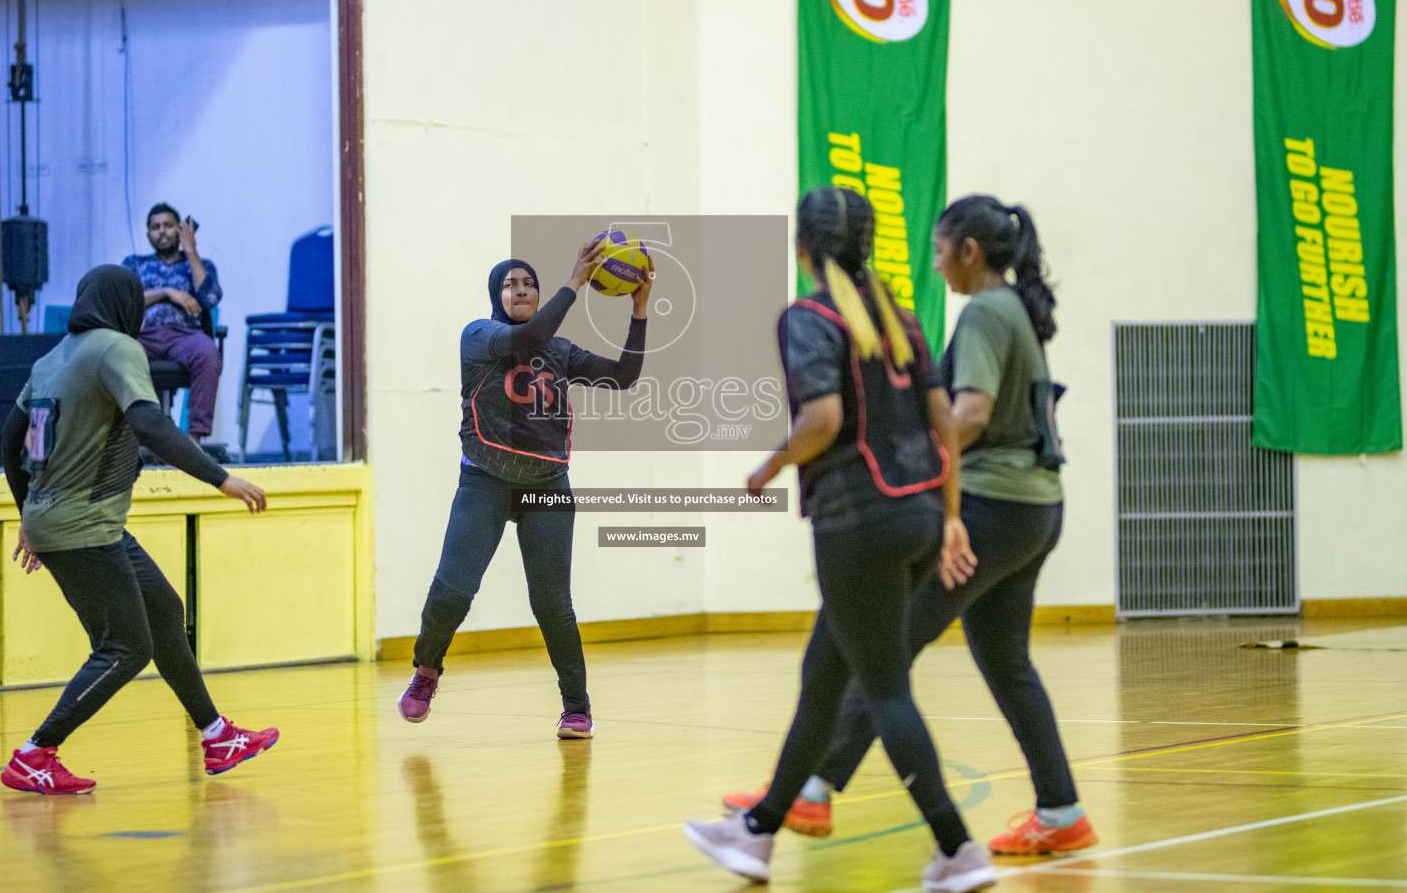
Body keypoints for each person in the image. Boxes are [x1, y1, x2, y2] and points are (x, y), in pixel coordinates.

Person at [722, 195, 1097, 857]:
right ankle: (1062, 808)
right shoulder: (1014, 309)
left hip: (988, 502)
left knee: (883, 659)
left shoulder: (982, 311)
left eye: (940, 248)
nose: (937, 260)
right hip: (1038, 505)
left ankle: (810, 795)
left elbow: (971, 412)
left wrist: (924, 461)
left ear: (968, 252)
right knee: (1005, 662)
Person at [683, 187, 996, 893]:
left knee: (884, 689)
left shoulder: (809, 319)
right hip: (916, 516)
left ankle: (958, 848)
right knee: (825, 681)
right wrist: (947, 515)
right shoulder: (906, 323)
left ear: (804, 251)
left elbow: (821, 420)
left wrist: (768, 466)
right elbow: (943, 424)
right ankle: (758, 832)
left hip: (858, 525)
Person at [0, 265, 278, 794]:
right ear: (128, 304)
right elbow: (151, 422)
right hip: (84, 528)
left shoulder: (51, 358)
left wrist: (28, 513)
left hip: (75, 521)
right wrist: (220, 478)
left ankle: (217, 735)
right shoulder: (117, 349)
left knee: (165, 611)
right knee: (124, 648)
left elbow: (11, 441)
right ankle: (35, 753)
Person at [399, 240, 652, 739]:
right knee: (453, 590)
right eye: (511, 284)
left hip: (546, 486)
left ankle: (576, 707)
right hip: (486, 480)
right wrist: (575, 282)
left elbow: (624, 377)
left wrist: (639, 311)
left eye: (529, 283)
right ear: (497, 294)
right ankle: (427, 670)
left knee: (553, 603)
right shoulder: (479, 336)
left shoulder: (560, 350)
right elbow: (531, 333)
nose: (522, 290)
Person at [121, 203, 223, 443]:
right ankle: (126, 440)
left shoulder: (201, 265)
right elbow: (123, 299)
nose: (162, 232)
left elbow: (210, 297)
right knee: (115, 356)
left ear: (179, 230)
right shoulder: (135, 263)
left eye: (168, 225)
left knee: (208, 353)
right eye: (155, 227)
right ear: (148, 234)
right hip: (144, 335)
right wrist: (166, 292)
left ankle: (193, 441)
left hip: (185, 335)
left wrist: (191, 251)